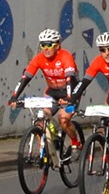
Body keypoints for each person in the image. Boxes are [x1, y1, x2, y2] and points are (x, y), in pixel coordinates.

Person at [6, 27, 83, 155]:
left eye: (49, 45)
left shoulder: (65, 56)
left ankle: (76, 142)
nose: (45, 48)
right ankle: (46, 150)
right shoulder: (39, 58)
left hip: (71, 92)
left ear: (57, 46)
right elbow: (25, 78)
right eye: (42, 45)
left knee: (63, 119)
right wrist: (14, 96)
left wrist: (69, 98)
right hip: (52, 92)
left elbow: (69, 79)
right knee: (40, 120)